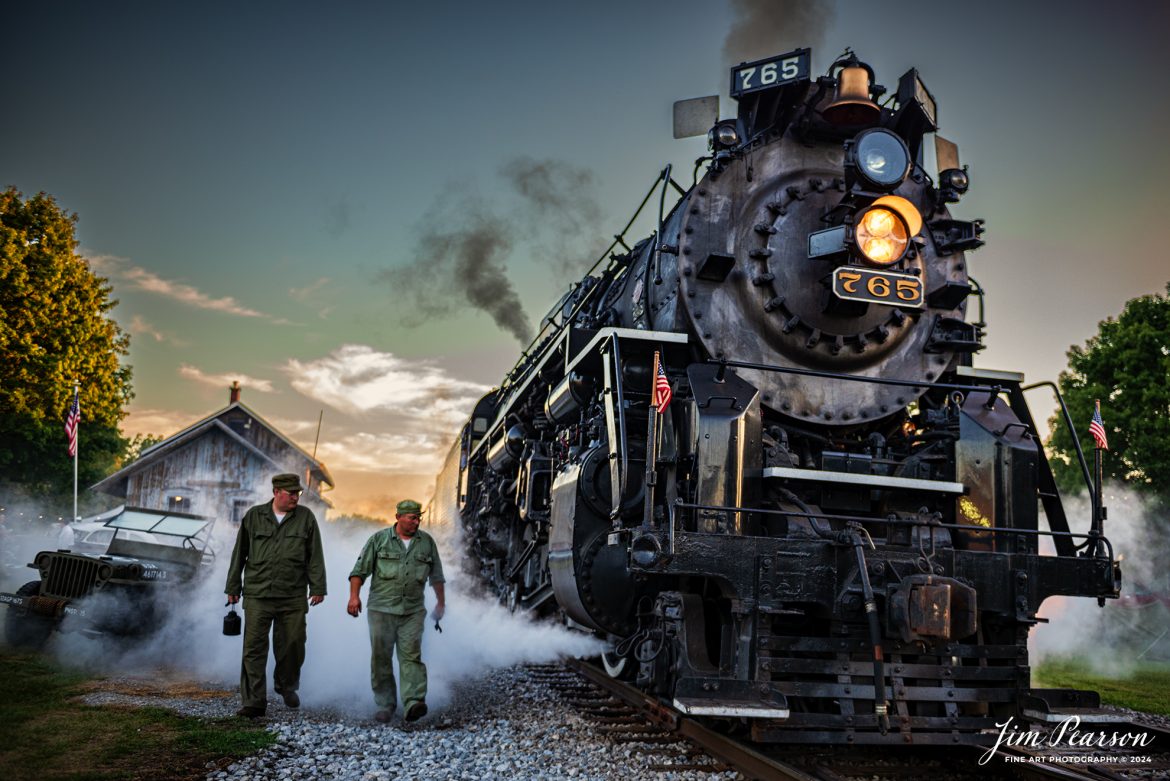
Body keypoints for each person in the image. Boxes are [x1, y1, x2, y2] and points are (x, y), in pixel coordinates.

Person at [225, 473, 327, 718]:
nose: (295, 497)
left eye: (297, 493)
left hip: (292, 595)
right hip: (258, 593)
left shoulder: (305, 518)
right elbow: (240, 553)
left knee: (293, 645)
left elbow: (315, 555)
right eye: (291, 493)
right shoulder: (254, 516)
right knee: (253, 648)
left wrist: (318, 587)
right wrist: (232, 587)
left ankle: (286, 685)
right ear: (276, 492)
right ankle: (254, 701)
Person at [348, 499, 445, 723]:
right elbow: (359, 571)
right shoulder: (379, 540)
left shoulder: (426, 543)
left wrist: (440, 603)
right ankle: (385, 704)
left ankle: (413, 701)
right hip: (381, 609)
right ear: (398, 517)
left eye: (418, 517)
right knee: (381, 658)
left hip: (412, 611)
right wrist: (354, 597)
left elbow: (436, 576)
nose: (417, 521)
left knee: (411, 655)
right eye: (412, 517)